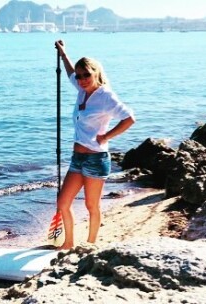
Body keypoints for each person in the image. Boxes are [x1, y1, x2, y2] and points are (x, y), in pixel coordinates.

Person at [54, 40, 135, 250]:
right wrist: (63, 53)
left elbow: (129, 118)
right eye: (80, 76)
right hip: (77, 159)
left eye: (86, 75)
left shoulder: (105, 95)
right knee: (63, 203)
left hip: (96, 159)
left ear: (96, 73)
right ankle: (68, 244)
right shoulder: (81, 90)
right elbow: (70, 71)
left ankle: (90, 245)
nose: (81, 79)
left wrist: (106, 136)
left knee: (92, 205)